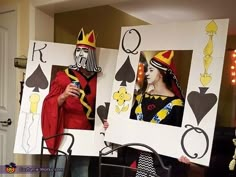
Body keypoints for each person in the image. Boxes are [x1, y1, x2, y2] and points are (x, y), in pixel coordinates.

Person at [41, 28, 101, 177]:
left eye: (85, 51)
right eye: (78, 50)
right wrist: (63, 96)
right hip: (63, 132)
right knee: (56, 173)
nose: (81, 54)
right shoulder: (63, 76)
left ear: (92, 55)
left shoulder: (99, 80)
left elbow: (103, 107)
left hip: (86, 133)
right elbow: (48, 103)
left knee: (81, 173)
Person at [129, 50, 190, 177]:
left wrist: (185, 153)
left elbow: (179, 136)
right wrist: (112, 125)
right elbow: (129, 123)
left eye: (151, 70)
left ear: (161, 74)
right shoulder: (141, 98)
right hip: (142, 158)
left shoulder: (177, 105)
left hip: (163, 163)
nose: (146, 73)